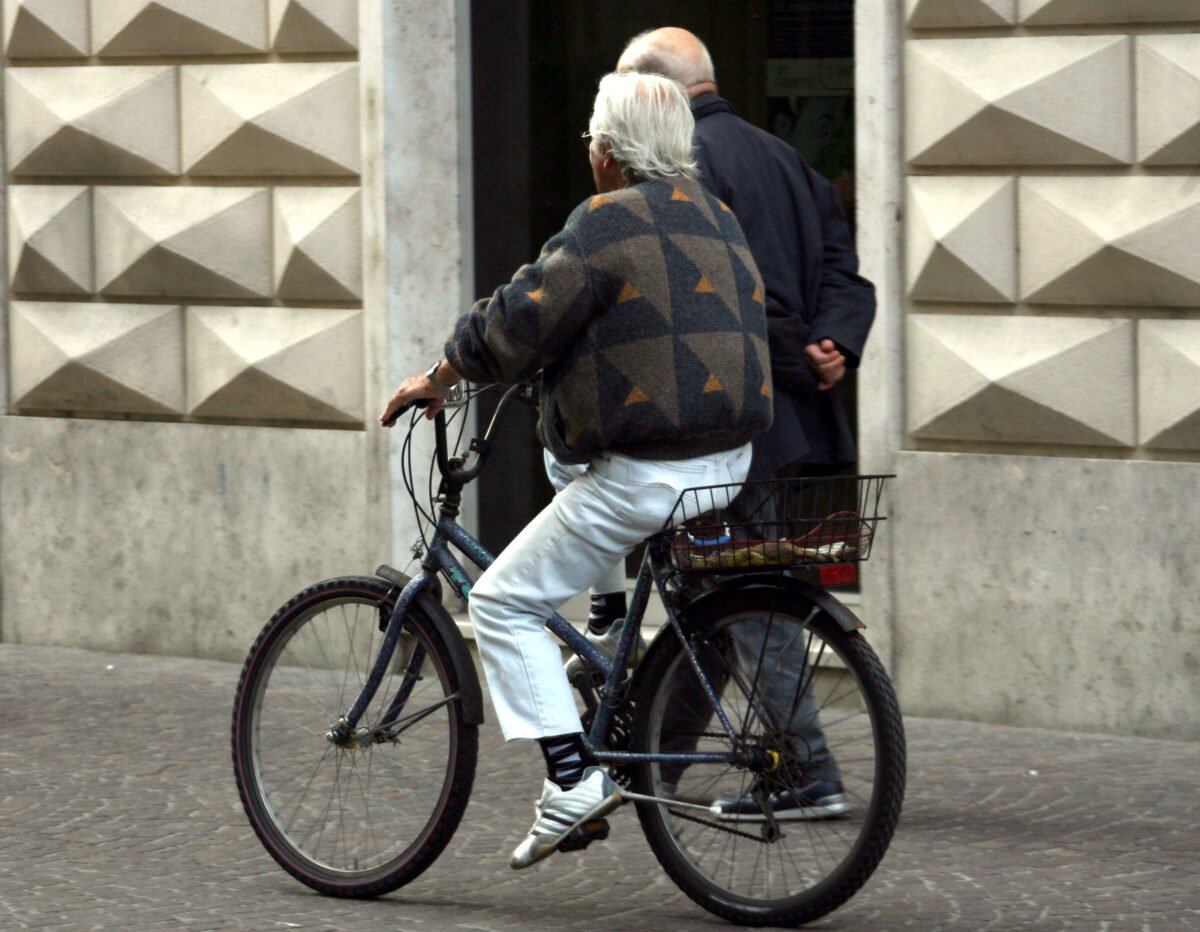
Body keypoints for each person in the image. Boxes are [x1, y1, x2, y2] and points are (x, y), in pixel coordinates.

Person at [380, 71, 772, 869]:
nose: (589, 152)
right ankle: (606, 619)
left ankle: (571, 783)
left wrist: (441, 377)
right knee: (565, 452)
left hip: (650, 473)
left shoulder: (601, 223)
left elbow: (521, 314)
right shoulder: (717, 217)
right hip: (726, 462)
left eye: (592, 139)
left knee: (500, 602)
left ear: (608, 153)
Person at [613, 27, 877, 821]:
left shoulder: (682, 165)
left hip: (739, 421)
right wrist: (835, 342)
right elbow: (843, 266)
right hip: (806, 421)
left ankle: (809, 771)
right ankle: (650, 758)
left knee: (748, 601)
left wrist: (802, 353)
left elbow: (725, 297)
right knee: (713, 597)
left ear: (654, 92)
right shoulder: (781, 153)